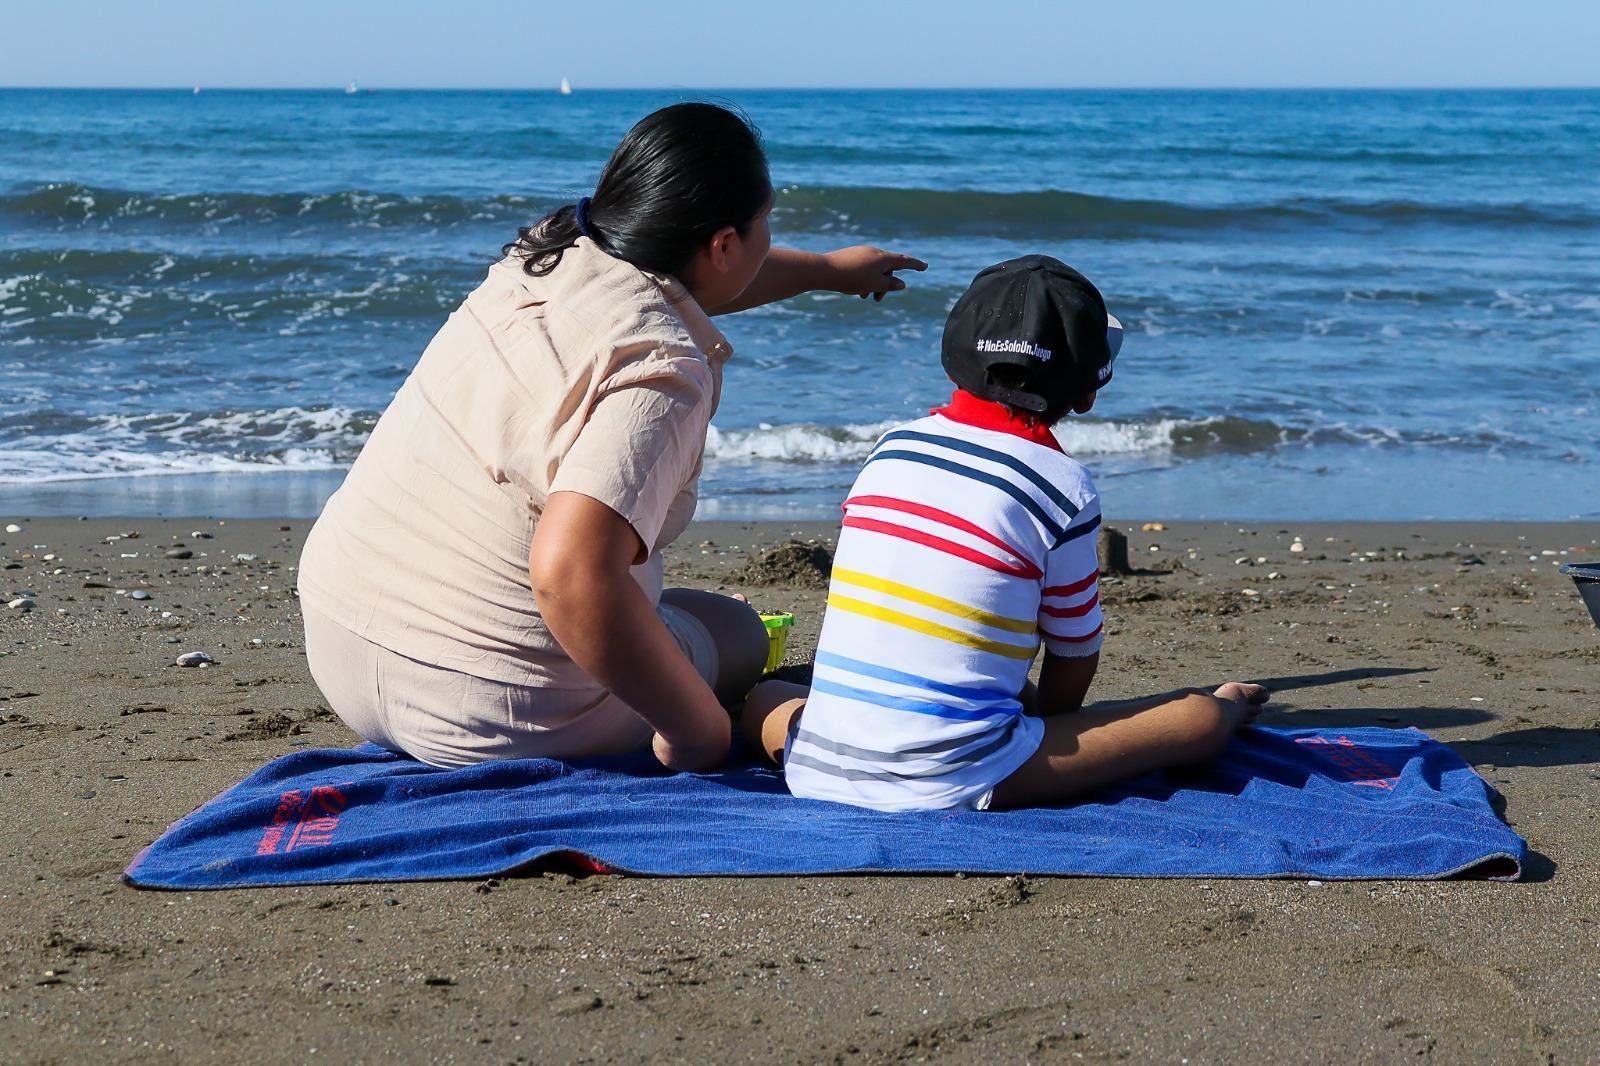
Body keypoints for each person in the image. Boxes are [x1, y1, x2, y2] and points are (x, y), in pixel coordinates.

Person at [297, 102, 925, 772]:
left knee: (661, 608)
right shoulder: (663, 368)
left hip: (339, 636)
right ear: (722, 244)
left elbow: (693, 279)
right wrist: (697, 734)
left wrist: (827, 270)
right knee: (737, 631)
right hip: (487, 708)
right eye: (765, 221)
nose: (768, 236)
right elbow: (568, 573)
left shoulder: (546, 252)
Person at [743, 255, 1268, 811]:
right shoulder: (1063, 486)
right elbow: (1074, 651)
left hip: (819, 766)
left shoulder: (893, 445)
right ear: (1088, 392)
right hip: (955, 776)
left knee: (766, 698)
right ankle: (1226, 709)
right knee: (1195, 718)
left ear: (954, 361)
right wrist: (1057, 727)